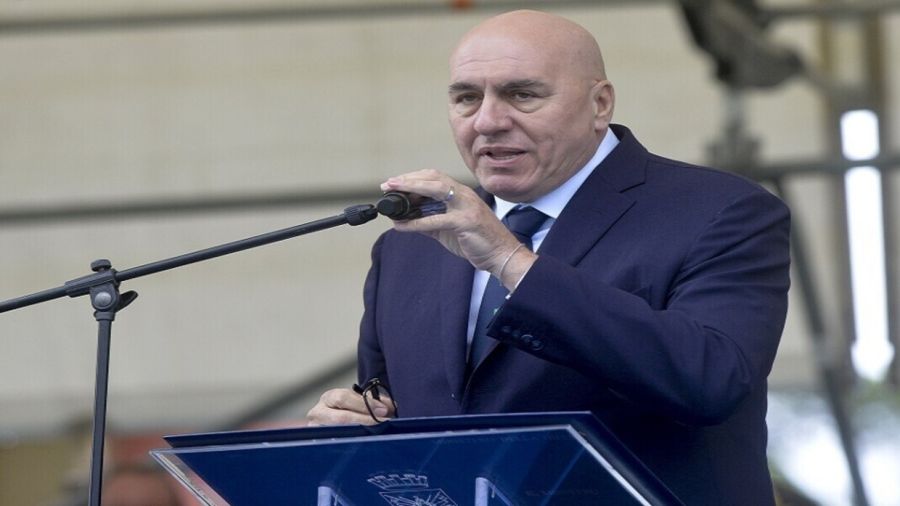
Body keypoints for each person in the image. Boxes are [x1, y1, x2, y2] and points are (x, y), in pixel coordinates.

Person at [307, 9, 790, 505]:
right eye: (467, 98)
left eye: (522, 94)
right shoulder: (410, 246)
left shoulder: (721, 211)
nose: (488, 121)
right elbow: (387, 408)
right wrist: (355, 424)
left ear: (599, 104)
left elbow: (711, 380)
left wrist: (508, 259)